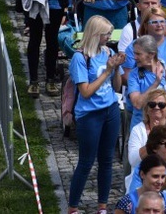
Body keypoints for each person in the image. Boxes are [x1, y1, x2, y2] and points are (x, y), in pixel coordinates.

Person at [67, 15, 126, 214]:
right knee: (86, 161)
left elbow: (117, 87)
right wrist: (106, 71)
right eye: (106, 34)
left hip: (110, 109)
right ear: (95, 34)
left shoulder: (108, 51)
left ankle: (102, 205)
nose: (109, 37)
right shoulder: (80, 57)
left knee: (107, 160)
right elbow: (85, 92)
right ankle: (73, 207)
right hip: (89, 114)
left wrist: (116, 69)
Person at [126, 35, 166, 130]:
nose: (134, 57)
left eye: (138, 54)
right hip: (142, 127)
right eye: (134, 53)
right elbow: (137, 104)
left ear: (151, 54)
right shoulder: (134, 74)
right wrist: (156, 83)